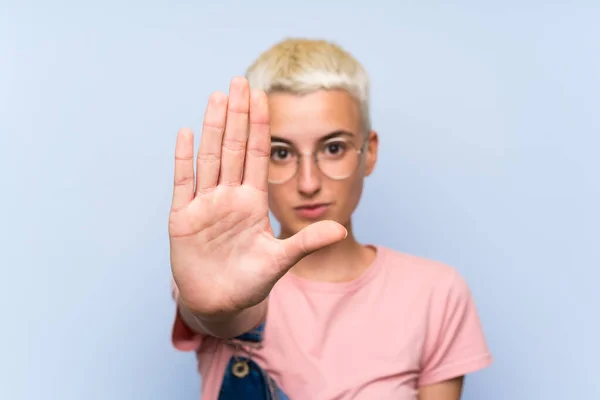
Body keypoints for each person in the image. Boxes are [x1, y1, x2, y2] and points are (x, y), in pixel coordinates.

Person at [168, 38, 493, 400]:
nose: (309, 182)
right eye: (280, 152)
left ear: (368, 154)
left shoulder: (436, 293)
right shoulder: (222, 269)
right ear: (253, 161)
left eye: (333, 147)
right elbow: (223, 315)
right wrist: (217, 308)